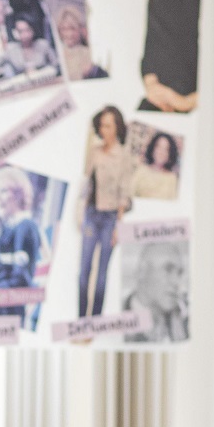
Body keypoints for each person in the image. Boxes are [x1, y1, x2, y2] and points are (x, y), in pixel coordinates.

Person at [77, 105, 133, 317]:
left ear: (117, 128)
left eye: (109, 126)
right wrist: (81, 211)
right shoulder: (94, 152)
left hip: (110, 219)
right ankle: (82, 321)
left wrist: (119, 226)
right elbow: (86, 179)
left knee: (102, 274)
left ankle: (95, 323)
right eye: (102, 125)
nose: (104, 130)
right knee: (84, 271)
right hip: (91, 214)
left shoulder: (123, 156)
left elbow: (124, 193)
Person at [0, 168, 43, 303]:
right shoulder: (7, 229)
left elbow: (21, 280)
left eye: (3, 191)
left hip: (4, 312)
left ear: (19, 193)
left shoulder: (25, 227)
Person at [139, 0, 201, 112]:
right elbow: (150, 51)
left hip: (202, 109)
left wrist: (188, 102)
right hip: (162, 106)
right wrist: (154, 89)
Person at [121, 240, 189, 343]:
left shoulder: (185, 321)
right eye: (168, 269)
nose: (176, 282)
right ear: (142, 271)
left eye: (179, 273)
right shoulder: (116, 319)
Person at [55, 2, 106, 80]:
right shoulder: (57, 56)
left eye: (72, 28)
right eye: (64, 29)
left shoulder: (90, 53)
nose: (69, 34)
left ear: (80, 29)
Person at [134, 131, 181, 199]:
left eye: (166, 149)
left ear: (169, 154)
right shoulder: (141, 170)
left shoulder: (172, 178)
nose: (161, 152)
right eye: (159, 147)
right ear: (153, 148)